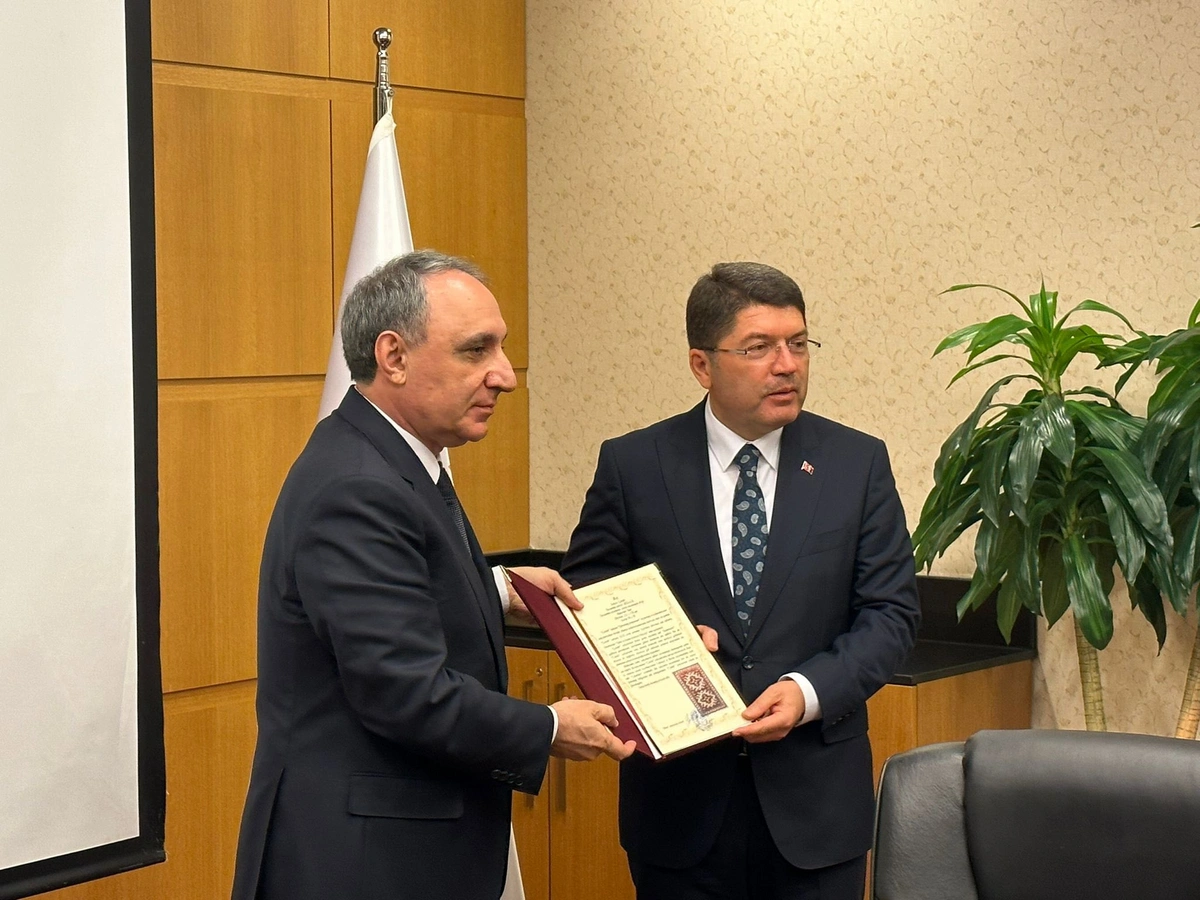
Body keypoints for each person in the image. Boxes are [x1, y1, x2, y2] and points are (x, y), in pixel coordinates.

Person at [231, 250, 633, 900]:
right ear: (393, 356)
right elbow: (404, 691)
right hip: (364, 864)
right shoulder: (360, 486)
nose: (505, 375)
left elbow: (396, 592)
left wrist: (498, 590)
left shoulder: (395, 457)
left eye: (501, 347)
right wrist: (549, 728)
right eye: (476, 350)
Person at [561, 261, 920, 900]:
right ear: (702, 365)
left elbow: (890, 615)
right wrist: (663, 642)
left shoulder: (855, 463)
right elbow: (588, 597)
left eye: (798, 343)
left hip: (816, 810)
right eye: (759, 348)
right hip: (679, 809)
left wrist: (808, 691)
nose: (787, 365)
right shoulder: (635, 465)